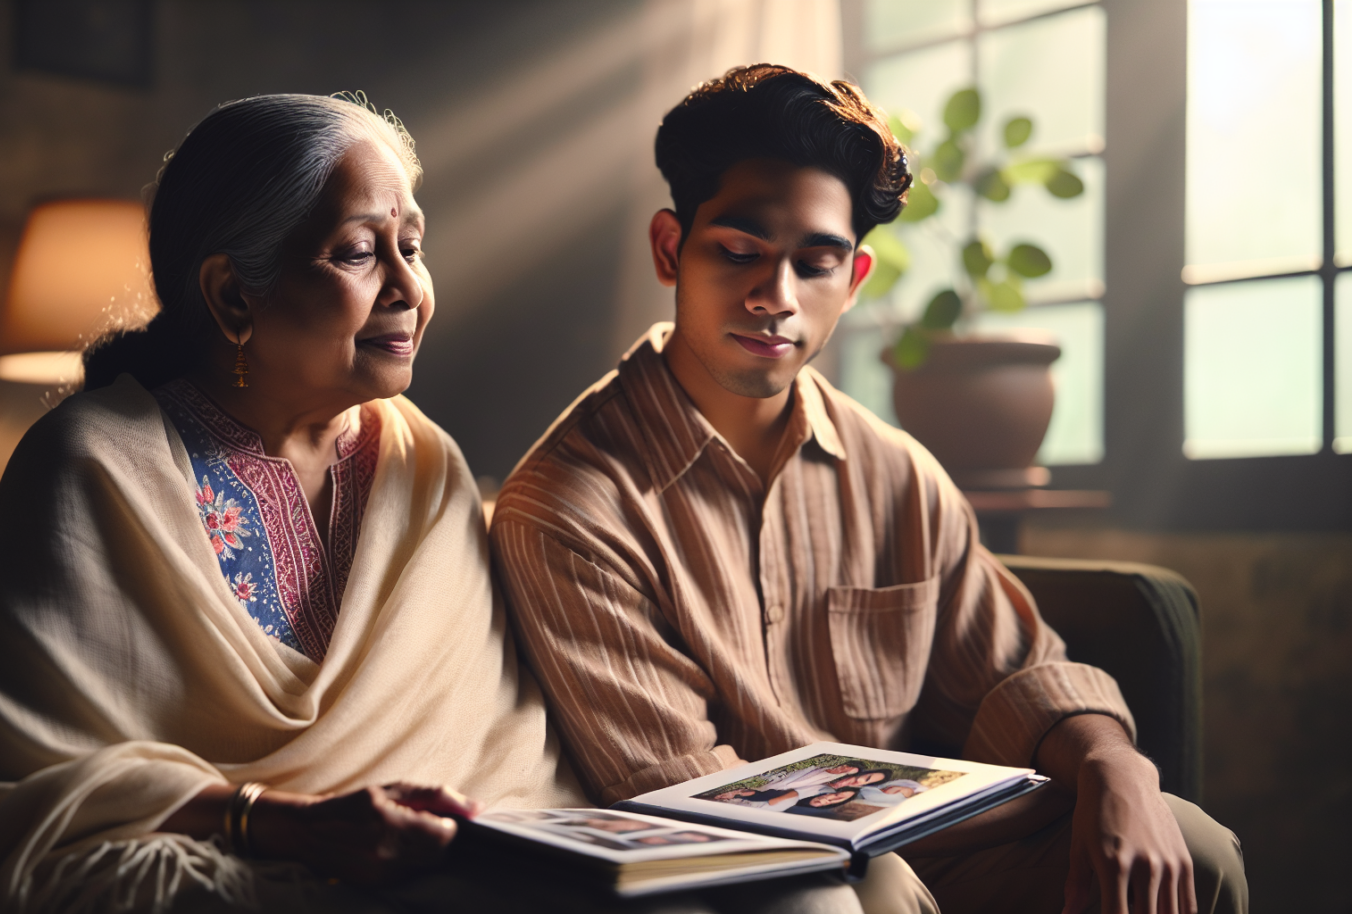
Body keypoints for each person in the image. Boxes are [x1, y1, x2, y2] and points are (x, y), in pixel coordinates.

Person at [0, 91, 864, 914]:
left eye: (413, 245)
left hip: (440, 868)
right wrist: (284, 821)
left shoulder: (422, 464)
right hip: (208, 863)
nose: (409, 289)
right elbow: (35, 800)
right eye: (361, 252)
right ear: (233, 298)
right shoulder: (89, 469)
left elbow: (504, 756)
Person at [490, 64, 1247, 914]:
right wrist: (870, 852)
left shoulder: (896, 472)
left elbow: (1017, 675)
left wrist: (1117, 768)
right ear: (671, 248)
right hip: (747, 874)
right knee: (846, 895)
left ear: (852, 283)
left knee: (1193, 844)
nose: (774, 298)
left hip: (940, 853)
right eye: (738, 253)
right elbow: (675, 790)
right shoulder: (568, 504)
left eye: (814, 264)